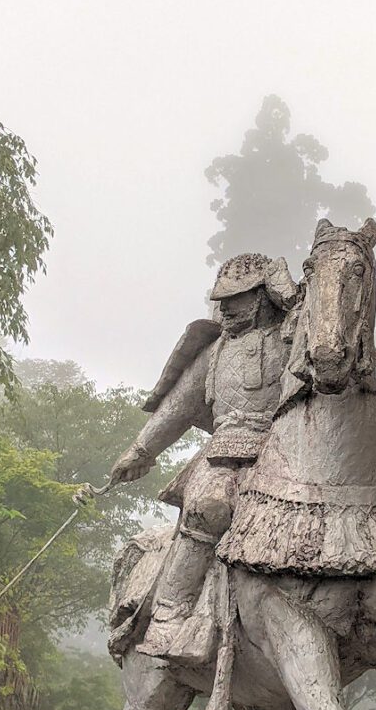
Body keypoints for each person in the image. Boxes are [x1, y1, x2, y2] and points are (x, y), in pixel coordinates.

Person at [101, 253, 297, 661]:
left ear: (261, 296)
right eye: (221, 300)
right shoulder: (214, 352)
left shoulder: (291, 338)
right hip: (225, 453)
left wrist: (290, 291)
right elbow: (177, 408)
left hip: (287, 449)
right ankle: (169, 615)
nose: (224, 308)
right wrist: (139, 452)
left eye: (236, 299)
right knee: (206, 508)